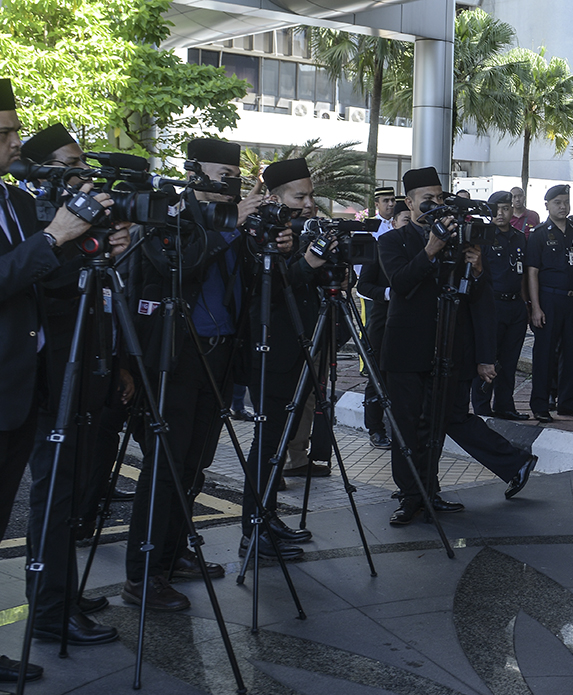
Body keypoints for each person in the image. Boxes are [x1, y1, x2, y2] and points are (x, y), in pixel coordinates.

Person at [0, 78, 103, 695]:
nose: (14, 141)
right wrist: (52, 238)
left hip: (13, 391)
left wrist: (92, 244)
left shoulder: (10, 199)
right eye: (2, 133)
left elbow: (35, 283)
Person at [123, 137, 276, 613]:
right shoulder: (171, 212)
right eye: (223, 177)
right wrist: (235, 229)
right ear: (194, 172)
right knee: (165, 467)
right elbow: (179, 264)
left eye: (236, 179)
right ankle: (143, 576)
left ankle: (173, 555)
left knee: (194, 465)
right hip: (177, 354)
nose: (232, 187)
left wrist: (262, 241)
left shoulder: (233, 221)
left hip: (221, 355)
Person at [18, 123, 131, 647]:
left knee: (75, 488)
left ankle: (64, 590)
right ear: (41, 173)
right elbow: (43, 287)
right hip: (52, 375)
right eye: (68, 165)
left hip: (91, 366)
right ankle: (49, 608)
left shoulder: (87, 217)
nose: (81, 173)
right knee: (55, 493)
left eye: (82, 163)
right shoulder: (33, 218)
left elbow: (103, 293)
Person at [379, 167, 537, 526]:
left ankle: (430, 492)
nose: (435, 206)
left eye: (440, 198)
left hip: (449, 349)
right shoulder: (392, 241)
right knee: (406, 425)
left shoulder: (463, 241)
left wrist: (479, 270)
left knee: (437, 423)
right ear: (409, 203)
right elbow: (402, 284)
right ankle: (410, 497)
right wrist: (431, 249)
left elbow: (481, 301)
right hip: (405, 350)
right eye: (427, 200)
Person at [240, 157, 340, 552]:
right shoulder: (257, 232)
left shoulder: (296, 229)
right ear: (273, 197)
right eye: (300, 196)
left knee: (277, 442)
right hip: (270, 349)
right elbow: (268, 289)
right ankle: (255, 526)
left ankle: (266, 517)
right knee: (267, 442)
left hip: (301, 346)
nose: (309, 203)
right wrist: (309, 262)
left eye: (311, 195)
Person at [526, 184, 573, 422]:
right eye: (557, 202)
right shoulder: (538, 234)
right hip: (549, 299)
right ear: (546, 205)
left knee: (572, 353)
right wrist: (535, 307)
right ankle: (540, 404)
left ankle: (567, 402)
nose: (563, 206)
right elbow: (532, 272)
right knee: (544, 354)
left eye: (566, 202)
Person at [471, 191, 531, 420]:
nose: (501, 213)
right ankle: (482, 407)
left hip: (515, 305)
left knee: (509, 359)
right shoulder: (483, 236)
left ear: (512, 209)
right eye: (496, 209)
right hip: (491, 304)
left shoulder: (518, 237)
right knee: (488, 357)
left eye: (505, 208)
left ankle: (505, 405)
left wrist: (526, 304)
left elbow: (523, 273)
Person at [357, 197, 410, 450]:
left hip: (409, 324)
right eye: (406, 221)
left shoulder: (423, 249)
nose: (409, 226)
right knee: (377, 377)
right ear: (394, 222)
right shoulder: (380, 247)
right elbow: (363, 285)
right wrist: (389, 293)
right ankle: (375, 428)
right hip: (382, 322)